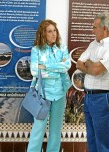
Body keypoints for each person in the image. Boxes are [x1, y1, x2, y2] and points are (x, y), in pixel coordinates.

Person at [76, 12, 109, 152]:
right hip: (89, 97)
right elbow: (79, 64)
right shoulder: (93, 44)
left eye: (94, 27)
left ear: (104, 29)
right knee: (92, 139)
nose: (92, 31)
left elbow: (97, 70)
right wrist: (93, 66)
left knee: (103, 142)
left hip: (104, 99)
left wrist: (92, 66)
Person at [27, 19, 71, 152]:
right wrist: (57, 70)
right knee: (38, 129)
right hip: (42, 94)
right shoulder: (37, 50)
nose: (53, 34)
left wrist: (45, 67)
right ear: (43, 34)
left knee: (56, 130)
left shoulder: (62, 48)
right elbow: (35, 71)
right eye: (50, 31)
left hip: (60, 93)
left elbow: (66, 66)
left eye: (55, 31)